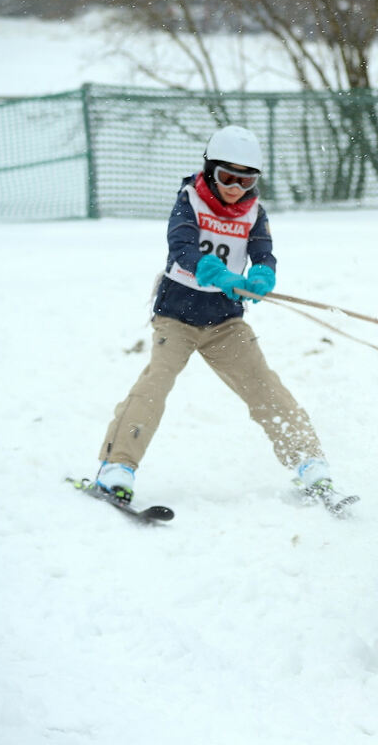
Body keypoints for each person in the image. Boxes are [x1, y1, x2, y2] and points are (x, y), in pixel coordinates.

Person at [91, 124, 341, 504]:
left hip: (225, 321)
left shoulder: (254, 211)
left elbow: (263, 252)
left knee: (264, 387)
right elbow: (181, 247)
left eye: (247, 180)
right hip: (176, 317)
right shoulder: (190, 199)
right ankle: (117, 466)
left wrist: (262, 273)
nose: (236, 189)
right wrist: (211, 270)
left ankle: (310, 463)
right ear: (210, 169)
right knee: (155, 385)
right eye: (228, 178)